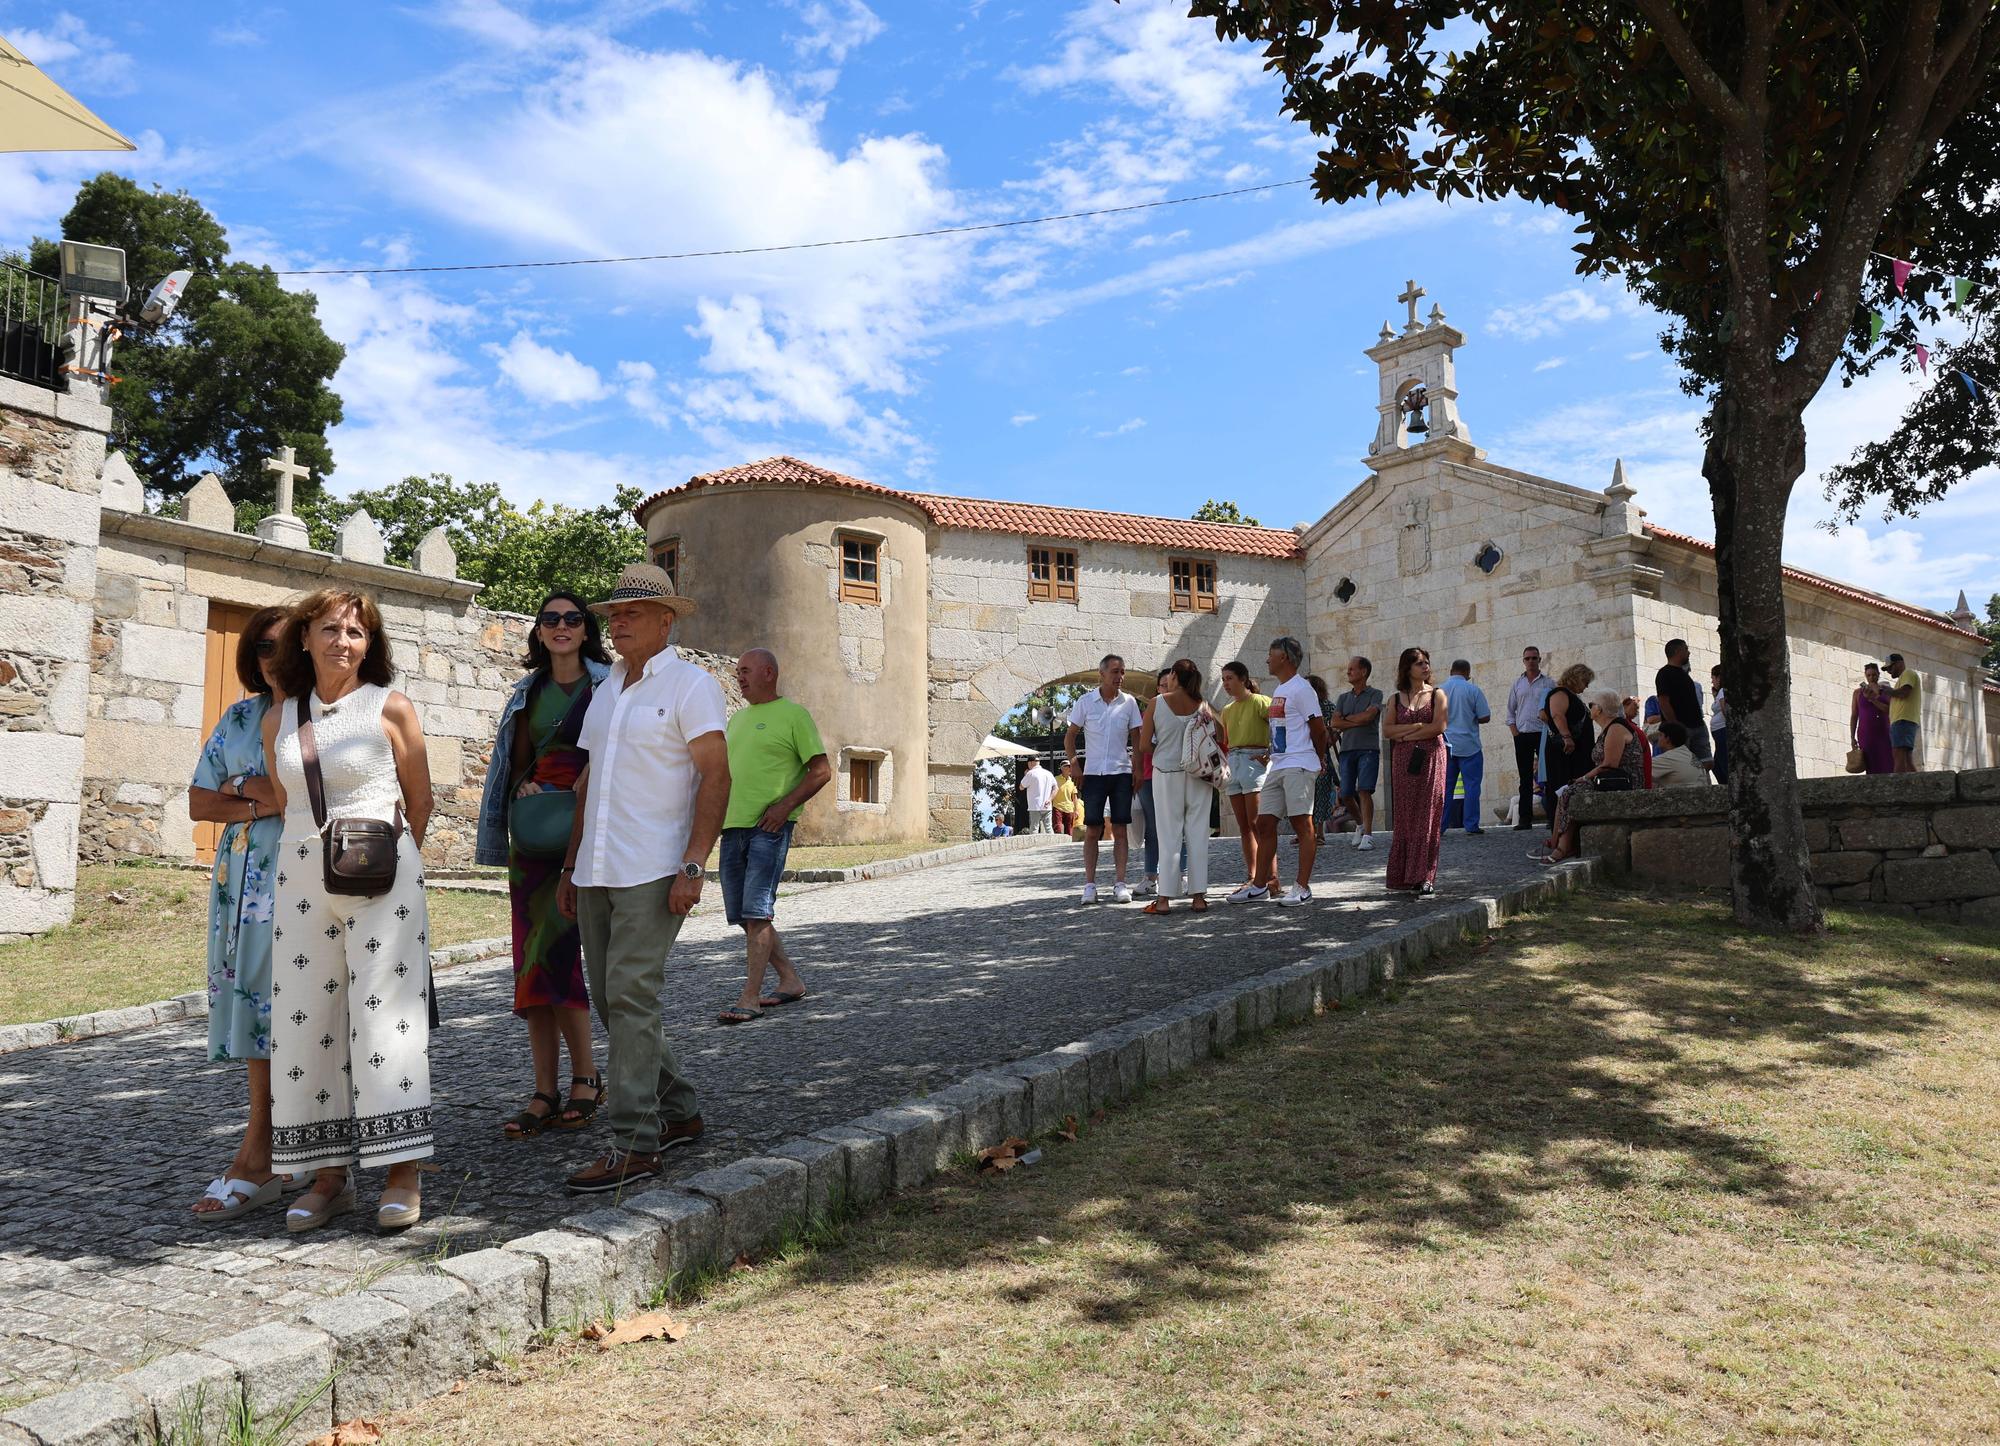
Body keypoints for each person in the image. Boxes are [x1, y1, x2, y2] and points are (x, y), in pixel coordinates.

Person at [262, 590, 436, 1234]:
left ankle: (400, 1169)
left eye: (357, 633)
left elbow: (419, 799)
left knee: (385, 1018)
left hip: (382, 874)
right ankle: (329, 1178)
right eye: (330, 629)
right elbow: (289, 801)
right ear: (303, 638)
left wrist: (388, 859)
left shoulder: (390, 707)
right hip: (301, 874)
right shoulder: (279, 718)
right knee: (306, 1021)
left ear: (371, 644)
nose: (343, 641)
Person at [556, 563, 730, 1194]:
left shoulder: (691, 685)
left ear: (667, 619)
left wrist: (693, 865)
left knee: (630, 995)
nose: (618, 622)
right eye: (613, 614)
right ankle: (680, 1111)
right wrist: (573, 864)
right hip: (599, 868)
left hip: (656, 868)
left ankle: (636, 1142)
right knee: (610, 1000)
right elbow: (588, 783)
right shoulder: (605, 691)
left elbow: (717, 777)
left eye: (632, 613)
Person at [477, 592, 611, 1141]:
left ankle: (586, 1078)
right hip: (532, 841)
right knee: (532, 963)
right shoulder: (525, 692)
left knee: (562, 960)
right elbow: (515, 762)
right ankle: (543, 1088)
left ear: (586, 630)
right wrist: (522, 787)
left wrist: (582, 783)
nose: (561, 627)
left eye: (572, 619)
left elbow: (612, 754)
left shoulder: (607, 685)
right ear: (537, 632)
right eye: (550, 620)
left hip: (585, 837)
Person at [188, 606, 307, 1220]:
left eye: (290, 645)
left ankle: (292, 1154)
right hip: (243, 885)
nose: (276, 657)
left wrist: (253, 792)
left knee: (304, 1006)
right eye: (263, 646)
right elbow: (196, 803)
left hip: (311, 873)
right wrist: (255, 798)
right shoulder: (238, 717)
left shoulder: (327, 715)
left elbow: (301, 798)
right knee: (260, 1006)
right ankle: (264, 1151)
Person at [715, 649, 830, 1026]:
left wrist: (785, 808)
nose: (739, 677)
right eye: (737, 672)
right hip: (732, 827)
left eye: (745, 671)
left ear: (768, 673)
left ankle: (749, 997)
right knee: (746, 916)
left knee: (757, 910)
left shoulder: (794, 715)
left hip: (769, 828)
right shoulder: (737, 721)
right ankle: (790, 980)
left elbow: (821, 770)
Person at [1138, 659, 1223, 914]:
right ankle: (1198, 897)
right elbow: (1219, 734)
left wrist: (1163, 751)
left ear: (1173, 675)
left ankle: (1164, 899)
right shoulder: (1203, 704)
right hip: (1198, 773)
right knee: (1198, 833)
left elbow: (1143, 745)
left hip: (1166, 772)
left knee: (1168, 834)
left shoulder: (1157, 703)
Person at [1255, 637, 1329, 907]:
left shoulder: (1302, 689)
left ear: (1284, 658)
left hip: (1299, 763)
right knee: (1263, 823)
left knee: (1302, 824)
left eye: (1270, 654)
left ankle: (1302, 887)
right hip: (1279, 763)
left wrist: (1317, 760)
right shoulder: (1281, 689)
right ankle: (1259, 885)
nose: (1267, 659)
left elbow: (1319, 729)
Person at [1064, 655, 1143, 904]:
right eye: (1115, 672)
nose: (1119, 677)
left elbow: (1137, 738)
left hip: (1121, 772)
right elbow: (1070, 736)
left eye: (1123, 672)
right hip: (1094, 773)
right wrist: (1075, 764)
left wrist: (1137, 770)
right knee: (1093, 830)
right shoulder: (1085, 702)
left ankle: (1120, 883)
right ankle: (1090, 884)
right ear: (1102, 673)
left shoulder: (1129, 703)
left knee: (1120, 829)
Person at [1542, 691, 1645, 863]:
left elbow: (1609, 764)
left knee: (1569, 793)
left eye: (1592, 705)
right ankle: (1557, 843)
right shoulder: (1609, 728)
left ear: (1600, 709)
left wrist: (1584, 778)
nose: (1590, 707)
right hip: (1610, 780)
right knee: (1566, 792)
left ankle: (1562, 848)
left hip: (1622, 781)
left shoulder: (1616, 728)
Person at [1382, 647, 1451, 895]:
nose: (1425, 667)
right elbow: (1388, 731)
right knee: (1405, 816)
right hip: (1403, 761)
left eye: (1426, 662)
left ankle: (1425, 875)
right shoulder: (1395, 698)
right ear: (1407, 668)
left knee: (1428, 815)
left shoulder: (1438, 695)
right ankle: (1403, 875)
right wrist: (1418, 726)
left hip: (1431, 756)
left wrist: (1409, 731)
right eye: (1419, 663)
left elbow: (1438, 727)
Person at [1218, 661, 1272, 902]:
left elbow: (1281, 727)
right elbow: (1226, 741)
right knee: (1243, 826)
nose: (1225, 683)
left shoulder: (1262, 702)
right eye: (1223, 679)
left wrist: (1271, 752)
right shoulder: (1227, 710)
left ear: (1243, 678)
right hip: (1234, 762)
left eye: (1229, 678)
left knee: (1259, 824)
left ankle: (1270, 877)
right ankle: (1252, 876)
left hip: (1254, 761)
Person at [1536, 663, 1596, 854]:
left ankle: (1568, 841)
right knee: (1562, 792)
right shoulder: (1560, 693)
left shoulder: (1570, 695)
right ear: (1577, 677)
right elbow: (1556, 714)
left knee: (1570, 791)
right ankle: (1560, 841)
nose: (1586, 686)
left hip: (1576, 755)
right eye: (1585, 681)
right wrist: (1567, 737)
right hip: (1565, 754)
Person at [1327, 656, 1384, 851]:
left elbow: (1369, 717)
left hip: (1368, 748)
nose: (1348, 672)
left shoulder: (1376, 694)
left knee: (1365, 790)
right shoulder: (1343, 698)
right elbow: (1335, 723)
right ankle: (1360, 824)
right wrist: (1356, 720)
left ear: (1364, 672)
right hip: (1347, 750)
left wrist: (1347, 720)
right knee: (1346, 792)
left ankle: (1368, 834)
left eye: (1352, 669)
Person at [1438, 659, 1490, 835]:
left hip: (1446, 745)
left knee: (1445, 788)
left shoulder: (1439, 691)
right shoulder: (1473, 690)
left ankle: (1440, 826)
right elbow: (1485, 716)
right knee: (1472, 786)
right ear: (1468, 673)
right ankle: (1471, 825)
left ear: (1451, 670)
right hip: (1470, 745)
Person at [1505, 646, 1553, 831]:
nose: (1531, 661)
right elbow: (1510, 710)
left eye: (1534, 658)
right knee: (1525, 778)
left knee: (1548, 776)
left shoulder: (1549, 683)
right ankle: (1525, 820)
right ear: (1523, 661)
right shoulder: (1517, 684)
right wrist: (1515, 732)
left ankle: (1552, 817)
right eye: (1528, 658)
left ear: (1539, 660)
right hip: (1523, 735)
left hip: (1543, 734)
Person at [1653, 639, 1713, 768]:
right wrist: (1675, 726)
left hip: (1697, 725)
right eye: (1686, 649)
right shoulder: (1664, 674)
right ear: (1677, 651)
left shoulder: (1684, 674)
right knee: (1683, 764)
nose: (1689, 652)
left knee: (1706, 763)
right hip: (1682, 727)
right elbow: (1664, 702)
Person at [1306, 674, 1337, 844]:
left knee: (1321, 794)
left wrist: (1326, 741)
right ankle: (1304, 832)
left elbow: (1336, 730)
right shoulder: (1301, 706)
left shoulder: (1328, 707)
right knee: (1304, 794)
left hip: (1322, 754)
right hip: (1303, 754)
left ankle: (1319, 833)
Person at [1852, 662, 1894, 775]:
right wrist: (1852, 737)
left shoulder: (1886, 692)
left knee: (1888, 762)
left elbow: (1890, 710)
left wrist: (1873, 699)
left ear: (1878, 674)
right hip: (1866, 733)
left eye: (1874, 675)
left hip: (1884, 732)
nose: (1871, 677)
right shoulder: (1857, 693)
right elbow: (1854, 715)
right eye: (1869, 675)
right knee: (1871, 764)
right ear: (1865, 676)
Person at [1886, 653, 1923, 772]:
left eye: (1890, 668)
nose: (1889, 671)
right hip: (1903, 721)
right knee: (1906, 759)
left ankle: (1899, 786)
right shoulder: (1901, 680)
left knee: (1899, 757)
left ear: (1899, 664)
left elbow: (1904, 692)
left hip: (1903, 720)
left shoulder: (1908, 673)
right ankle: (1918, 786)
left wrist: (1889, 691)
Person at [1651, 721, 1713, 788]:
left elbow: (1641, 770)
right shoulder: (1687, 753)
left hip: (1685, 796)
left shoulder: (1669, 758)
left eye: (1660, 735)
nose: (1658, 739)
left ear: (1667, 739)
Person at [1019, 757, 1057, 834]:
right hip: (1047, 805)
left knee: (1034, 828)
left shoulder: (1030, 773)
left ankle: (1034, 845)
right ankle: (1053, 844)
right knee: (1048, 828)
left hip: (1034, 805)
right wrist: (1050, 799)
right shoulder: (1048, 773)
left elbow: (1021, 787)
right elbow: (1056, 788)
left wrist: (1025, 775)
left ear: (1030, 763)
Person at [1708, 666, 1730, 784]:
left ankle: (1727, 785)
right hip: (1719, 733)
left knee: (1722, 762)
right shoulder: (1720, 692)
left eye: (1713, 678)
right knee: (1717, 764)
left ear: (1719, 677)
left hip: (1722, 732)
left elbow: (1724, 709)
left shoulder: (1722, 691)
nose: (1712, 681)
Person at [1051, 770, 1080, 837]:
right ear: (1062, 768)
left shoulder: (1072, 780)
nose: (1069, 769)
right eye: (1066, 767)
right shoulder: (1055, 779)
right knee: (1057, 828)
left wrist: (1076, 810)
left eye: (1070, 767)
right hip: (1057, 806)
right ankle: (1057, 845)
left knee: (1069, 830)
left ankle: (1068, 845)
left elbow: (1074, 797)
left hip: (1069, 808)